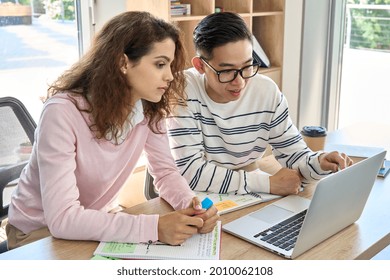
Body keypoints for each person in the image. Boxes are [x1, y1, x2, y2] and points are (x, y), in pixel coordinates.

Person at [6, 11, 219, 250]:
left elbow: (166, 173)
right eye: (160, 64)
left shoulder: (149, 107)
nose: (170, 76)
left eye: (169, 65)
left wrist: (192, 205)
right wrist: (154, 228)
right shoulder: (61, 113)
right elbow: (63, 218)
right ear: (123, 62)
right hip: (38, 232)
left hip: (93, 219)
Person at [166, 12, 352, 196]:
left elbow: (294, 154)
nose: (239, 82)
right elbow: (192, 173)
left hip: (245, 191)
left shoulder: (266, 92)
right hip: (191, 197)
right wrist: (268, 183)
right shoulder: (182, 89)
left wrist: (320, 162)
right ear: (200, 66)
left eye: (247, 66)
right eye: (227, 71)